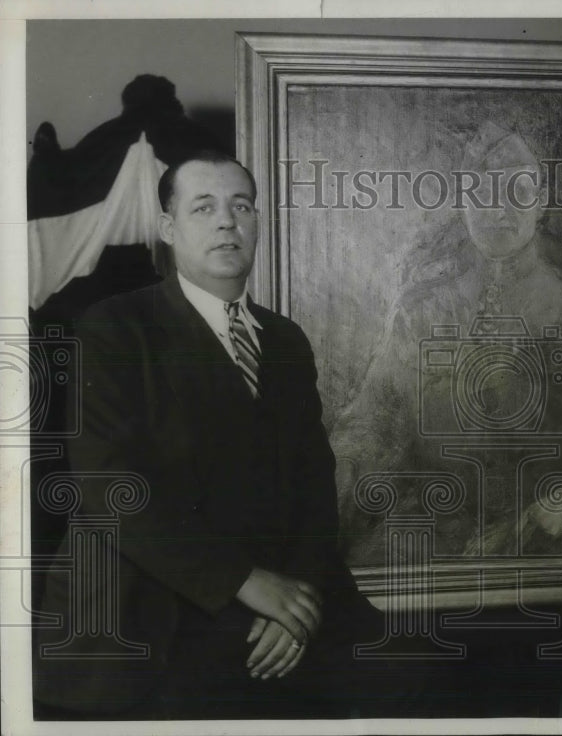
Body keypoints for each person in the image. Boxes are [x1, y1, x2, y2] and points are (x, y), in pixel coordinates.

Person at [33, 151, 434, 719]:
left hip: (278, 589)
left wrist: (293, 601)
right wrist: (246, 584)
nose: (227, 221)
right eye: (204, 207)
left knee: (411, 673)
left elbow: (314, 486)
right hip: (153, 601)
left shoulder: (285, 339)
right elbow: (111, 491)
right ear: (169, 229)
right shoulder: (114, 328)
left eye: (240, 205)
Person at [332, 123, 562, 563]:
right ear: (461, 203)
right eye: (485, 192)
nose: (501, 210)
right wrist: (337, 475)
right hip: (436, 530)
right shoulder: (422, 314)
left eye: (519, 191)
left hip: (552, 532)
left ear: (542, 202)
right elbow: (372, 426)